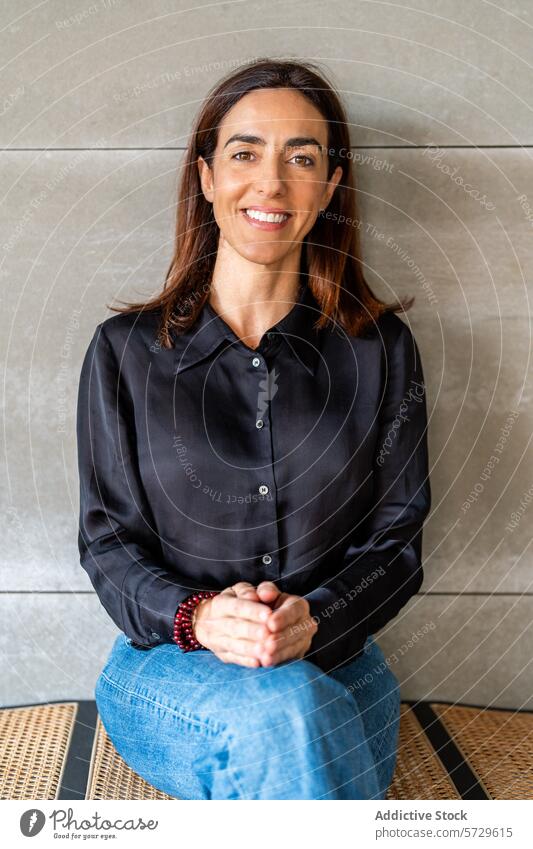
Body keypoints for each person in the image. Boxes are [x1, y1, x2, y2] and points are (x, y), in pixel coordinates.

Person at [76, 58, 431, 800]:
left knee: (294, 713)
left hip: (337, 665)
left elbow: (398, 541)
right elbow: (107, 543)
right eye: (244, 153)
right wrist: (200, 617)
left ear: (331, 185)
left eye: (301, 157)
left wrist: (317, 620)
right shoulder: (124, 351)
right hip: (167, 670)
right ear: (206, 176)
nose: (270, 183)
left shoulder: (381, 350)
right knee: (286, 721)